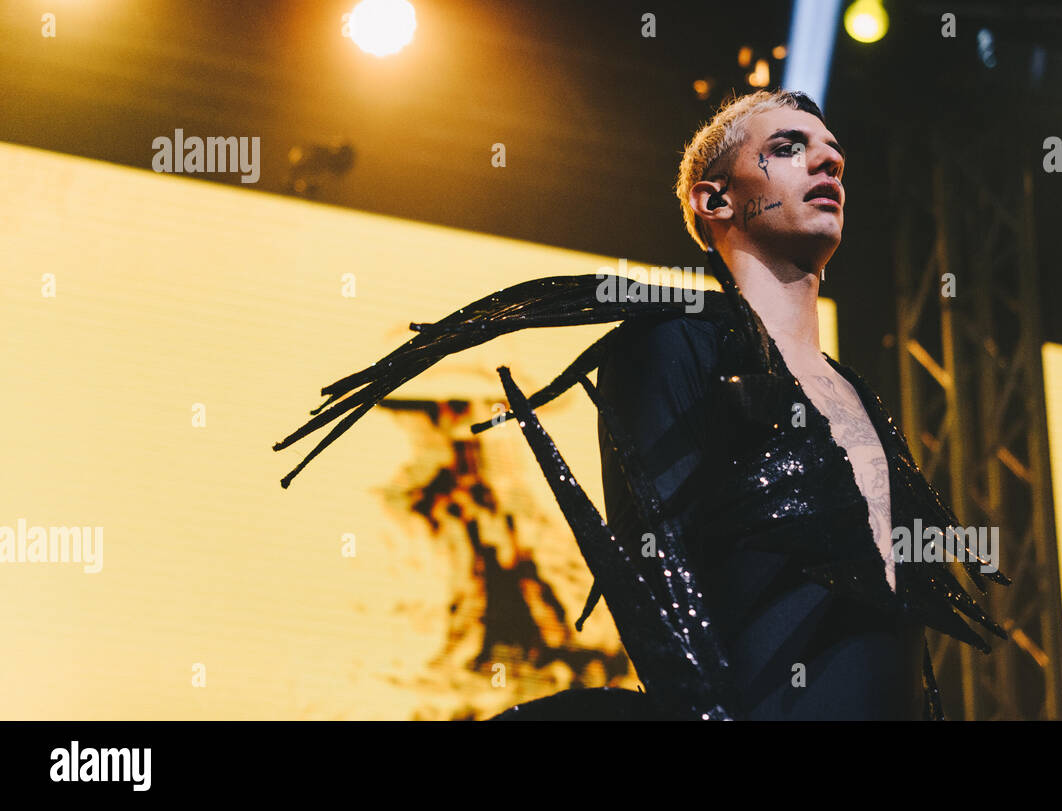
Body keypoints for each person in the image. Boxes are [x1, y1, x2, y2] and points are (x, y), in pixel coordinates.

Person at [273, 88, 1007, 721]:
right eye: (787, 147)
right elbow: (658, 582)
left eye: (833, 151)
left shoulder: (859, 395)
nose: (827, 162)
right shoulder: (674, 346)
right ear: (714, 198)